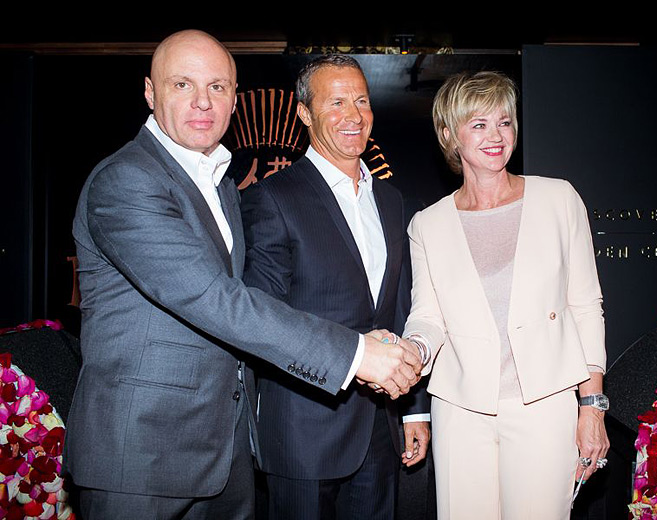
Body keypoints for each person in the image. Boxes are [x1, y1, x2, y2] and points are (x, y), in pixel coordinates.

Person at [67, 30, 421, 520]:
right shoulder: (126, 180)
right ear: (150, 92)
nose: (202, 102)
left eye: (217, 87)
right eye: (182, 85)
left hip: (227, 450)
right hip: (144, 454)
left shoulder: (222, 187)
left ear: (234, 99)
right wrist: (358, 354)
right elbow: (215, 299)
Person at [402, 71, 610, 519]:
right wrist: (411, 351)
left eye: (504, 122)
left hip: (544, 404)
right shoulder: (428, 224)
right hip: (461, 409)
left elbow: (585, 306)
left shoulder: (559, 200)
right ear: (449, 135)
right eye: (479, 124)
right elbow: (428, 317)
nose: (496, 136)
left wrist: (592, 406)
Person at [240, 55, 430, 520]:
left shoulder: (390, 200)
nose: (354, 115)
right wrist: (355, 358)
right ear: (304, 114)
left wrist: (413, 410)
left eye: (362, 101)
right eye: (337, 102)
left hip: (380, 428)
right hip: (303, 432)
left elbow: (399, 308)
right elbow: (264, 319)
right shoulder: (272, 197)